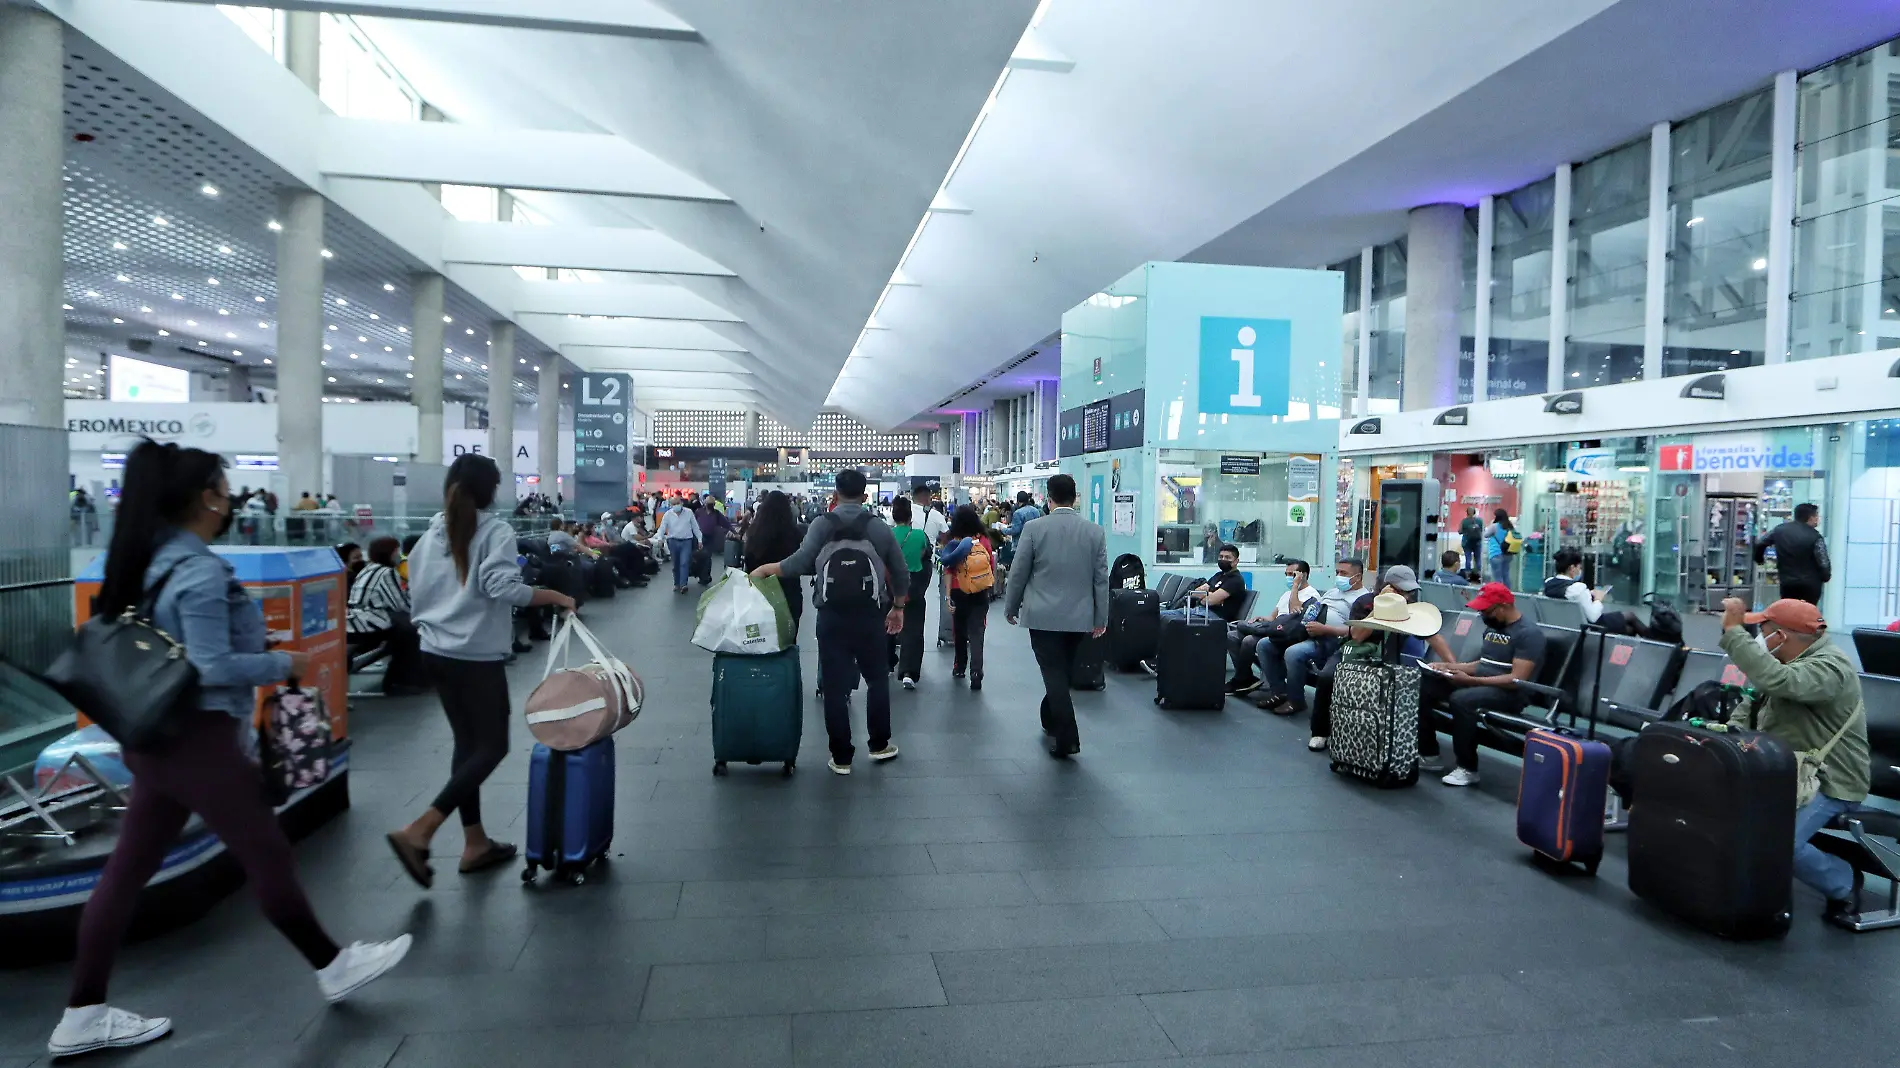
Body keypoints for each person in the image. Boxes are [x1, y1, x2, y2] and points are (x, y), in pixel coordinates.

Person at [49, 441, 410, 1058]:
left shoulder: (151, 561)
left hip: (155, 739)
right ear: (207, 497)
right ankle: (332, 964)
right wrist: (282, 659)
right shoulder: (197, 570)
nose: (230, 497)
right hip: (199, 738)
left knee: (128, 870)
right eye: (224, 485)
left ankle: (82, 1011)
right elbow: (212, 665)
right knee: (265, 851)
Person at [387, 455, 576, 888]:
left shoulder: (429, 534)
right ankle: (422, 830)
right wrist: (554, 596)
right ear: (491, 491)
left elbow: (415, 588)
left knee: (467, 744)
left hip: (434, 650)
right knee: (492, 747)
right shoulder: (494, 532)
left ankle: (475, 843)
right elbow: (502, 588)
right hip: (474, 656)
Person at [1716, 597, 1872, 925]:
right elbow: (1753, 702)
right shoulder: (1786, 663)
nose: (1759, 637)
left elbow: (1780, 682)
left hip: (1832, 781)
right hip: (1788, 773)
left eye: (1763, 630)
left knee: (1779, 842)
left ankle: (1843, 882)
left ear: (1781, 636)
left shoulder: (1830, 668)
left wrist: (1734, 634)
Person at [751, 469, 909, 775]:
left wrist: (765, 569)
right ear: (865, 496)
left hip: (831, 616)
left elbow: (799, 562)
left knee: (835, 687)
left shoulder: (822, 524)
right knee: (877, 680)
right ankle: (878, 745)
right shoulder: (877, 527)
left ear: (834, 495)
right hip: (869, 615)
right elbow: (900, 572)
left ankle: (841, 757)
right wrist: (898, 607)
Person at [1001, 474, 1108, 759]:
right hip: (1079, 618)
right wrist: (1101, 617)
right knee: (1062, 673)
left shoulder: (1034, 529)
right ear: (1075, 498)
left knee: (1053, 675)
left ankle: (1067, 738)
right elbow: (1101, 579)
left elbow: (1019, 572)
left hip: (1042, 617)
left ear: (1048, 499)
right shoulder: (1094, 532)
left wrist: (1011, 607)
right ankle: (1050, 718)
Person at [1420, 582, 1547, 785]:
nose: (1483, 616)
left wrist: (1471, 680)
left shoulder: (1528, 634)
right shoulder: (1493, 628)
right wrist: (1451, 667)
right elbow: (1484, 664)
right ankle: (1428, 753)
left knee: (1462, 700)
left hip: (1511, 694)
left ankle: (1467, 768)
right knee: (1424, 685)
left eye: (1486, 611)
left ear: (1503, 606)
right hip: (1483, 684)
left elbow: (1517, 679)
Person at [1255, 558, 1371, 716]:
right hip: (1309, 631)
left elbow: (1355, 632)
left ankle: (1296, 701)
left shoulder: (1363, 599)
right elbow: (1307, 610)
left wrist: (1324, 629)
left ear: (1357, 577)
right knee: (1264, 644)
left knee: (1293, 653)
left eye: (1343, 573)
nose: (1338, 576)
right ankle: (1279, 693)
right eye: (1337, 572)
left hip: (1331, 640)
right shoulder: (1332, 592)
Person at [1225, 559, 1321, 695]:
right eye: (1286, 574)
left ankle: (1241, 679)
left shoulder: (1311, 595)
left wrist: (1295, 586)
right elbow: (1273, 617)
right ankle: (1245, 676)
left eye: (1292, 574)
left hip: (1288, 632)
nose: (1288, 578)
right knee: (1232, 636)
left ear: (1303, 575)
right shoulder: (1286, 594)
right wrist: (1262, 619)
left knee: (1249, 641)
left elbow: (1295, 611)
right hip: (1275, 628)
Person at [346, 536, 427, 694]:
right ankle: (402, 681)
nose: (400, 555)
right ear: (389, 553)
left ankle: (403, 679)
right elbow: (400, 603)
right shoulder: (386, 573)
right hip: (369, 622)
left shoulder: (369, 568)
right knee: (413, 630)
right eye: (397, 551)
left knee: (405, 628)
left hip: (355, 620)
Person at [938, 505, 998, 688]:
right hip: (980, 590)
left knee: (960, 630)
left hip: (959, 590)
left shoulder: (954, 542)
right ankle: (976, 670)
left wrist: (948, 597)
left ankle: (960, 666)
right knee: (977, 631)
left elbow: (948, 570)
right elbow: (990, 563)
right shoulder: (984, 540)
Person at [744, 490, 807, 633]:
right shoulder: (795, 533)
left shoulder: (754, 533)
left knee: (761, 637)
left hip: (759, 592)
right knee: (788, 637)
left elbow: (748, 560)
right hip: (789, 593)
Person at [888, 497, 932, 689]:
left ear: (893, 515)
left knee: (887, 624)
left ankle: (887, 662)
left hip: (889, 587)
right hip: (913, 588)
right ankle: (909, 673)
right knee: (913, 629)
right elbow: (926, 556)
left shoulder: (886, 535)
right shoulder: (920, 536)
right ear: (911, 516)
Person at [1755, 502, 1831, 606]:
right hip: (1810, 585)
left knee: (1789, 613)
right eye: (1816, 516)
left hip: (1787, 582)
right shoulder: (1815, 536)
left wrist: (1759, 559)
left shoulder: (1779, 530)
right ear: (1811, 517)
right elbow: (1823, 561)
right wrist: (1825, 576)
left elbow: (1760, 543)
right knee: (1807, 614)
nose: (1818, 519)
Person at [1544, 547, 1607, 624]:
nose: (1580, 570)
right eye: (1579, 567)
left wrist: (1587, 593)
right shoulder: (1578, 588)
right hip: (1582, 628)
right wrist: (1598, 599)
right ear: (1572, 568)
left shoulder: (1549, 583)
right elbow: (1593, 617)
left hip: (1559, 625)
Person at [658, 491, 703, 593]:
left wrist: (700, 539)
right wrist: (660, 539)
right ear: (671, 505)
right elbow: (662, 528)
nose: (676, 506)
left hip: (686, 541)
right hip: (672, 541)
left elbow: (695, 527)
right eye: (673, 504)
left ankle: (683, 584)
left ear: (682, 503)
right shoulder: (668, 515)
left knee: (684, 562)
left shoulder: (689, 513)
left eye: (677, 503)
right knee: (675, 564)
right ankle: (676, 583)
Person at [696, 498, 735, 583]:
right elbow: (693, 523)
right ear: (705, 503)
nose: (710, 505)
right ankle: (700, 575)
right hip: (698, 537)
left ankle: (705, 577)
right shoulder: (699, 512)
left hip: (710, 537)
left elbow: (726, 523)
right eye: (709, 503)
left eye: (712, 504)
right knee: (699, 557)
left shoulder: (716, 514)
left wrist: (734, 531)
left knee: (707, 557)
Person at [1485, 508, 1517, 587]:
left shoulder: (1495, 526)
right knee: (1506, 575)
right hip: (1508, 554)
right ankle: (1507, 593)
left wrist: (1491, 524)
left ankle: (1499, 596)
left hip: (1496, 553)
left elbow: (1485, 535)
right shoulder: (1510, 526)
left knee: (1497, 577)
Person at [1459, 506, 1484, 573]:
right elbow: (1483, 530)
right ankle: (1479, 575)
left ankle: (1468, 576)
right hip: (1477, 543)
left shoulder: (1464, 521)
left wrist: (1466, 531)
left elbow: (1459, 531)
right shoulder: (1480, 520)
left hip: (1467, 543)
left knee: (1468, 559)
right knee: (1478, 559)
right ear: (1475, 512)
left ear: (1467, 512)